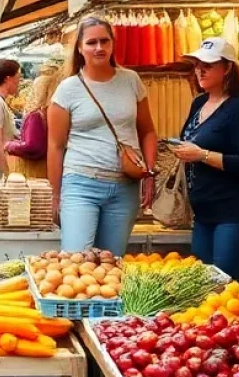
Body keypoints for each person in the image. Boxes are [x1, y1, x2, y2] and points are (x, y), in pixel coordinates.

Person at [47, 17, 158, 255]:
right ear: (80, 47)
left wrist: (149, 171)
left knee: (111, 265)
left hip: (124, 186)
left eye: (104, 41)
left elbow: (147, 130)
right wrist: (55, 195)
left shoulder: (131, 81)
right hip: (80, 184)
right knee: (77, 262)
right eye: (92, 42)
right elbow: (55, 146)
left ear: (112, 44)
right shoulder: (68, 89)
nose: (99, 48)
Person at [172, 37, 239, 282]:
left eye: (208, 65)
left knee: (224, 287)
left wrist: (201, 155)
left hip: (233, 213)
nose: (200, 70)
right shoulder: (199, 103)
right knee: (201, 287)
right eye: (197, 64)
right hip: (203, 214)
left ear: (228, 68)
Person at [6, 66, 59, 179]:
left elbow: (33, 146)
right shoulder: (53, 111)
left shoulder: (36, 115)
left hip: (35, 171)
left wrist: (11, 145)